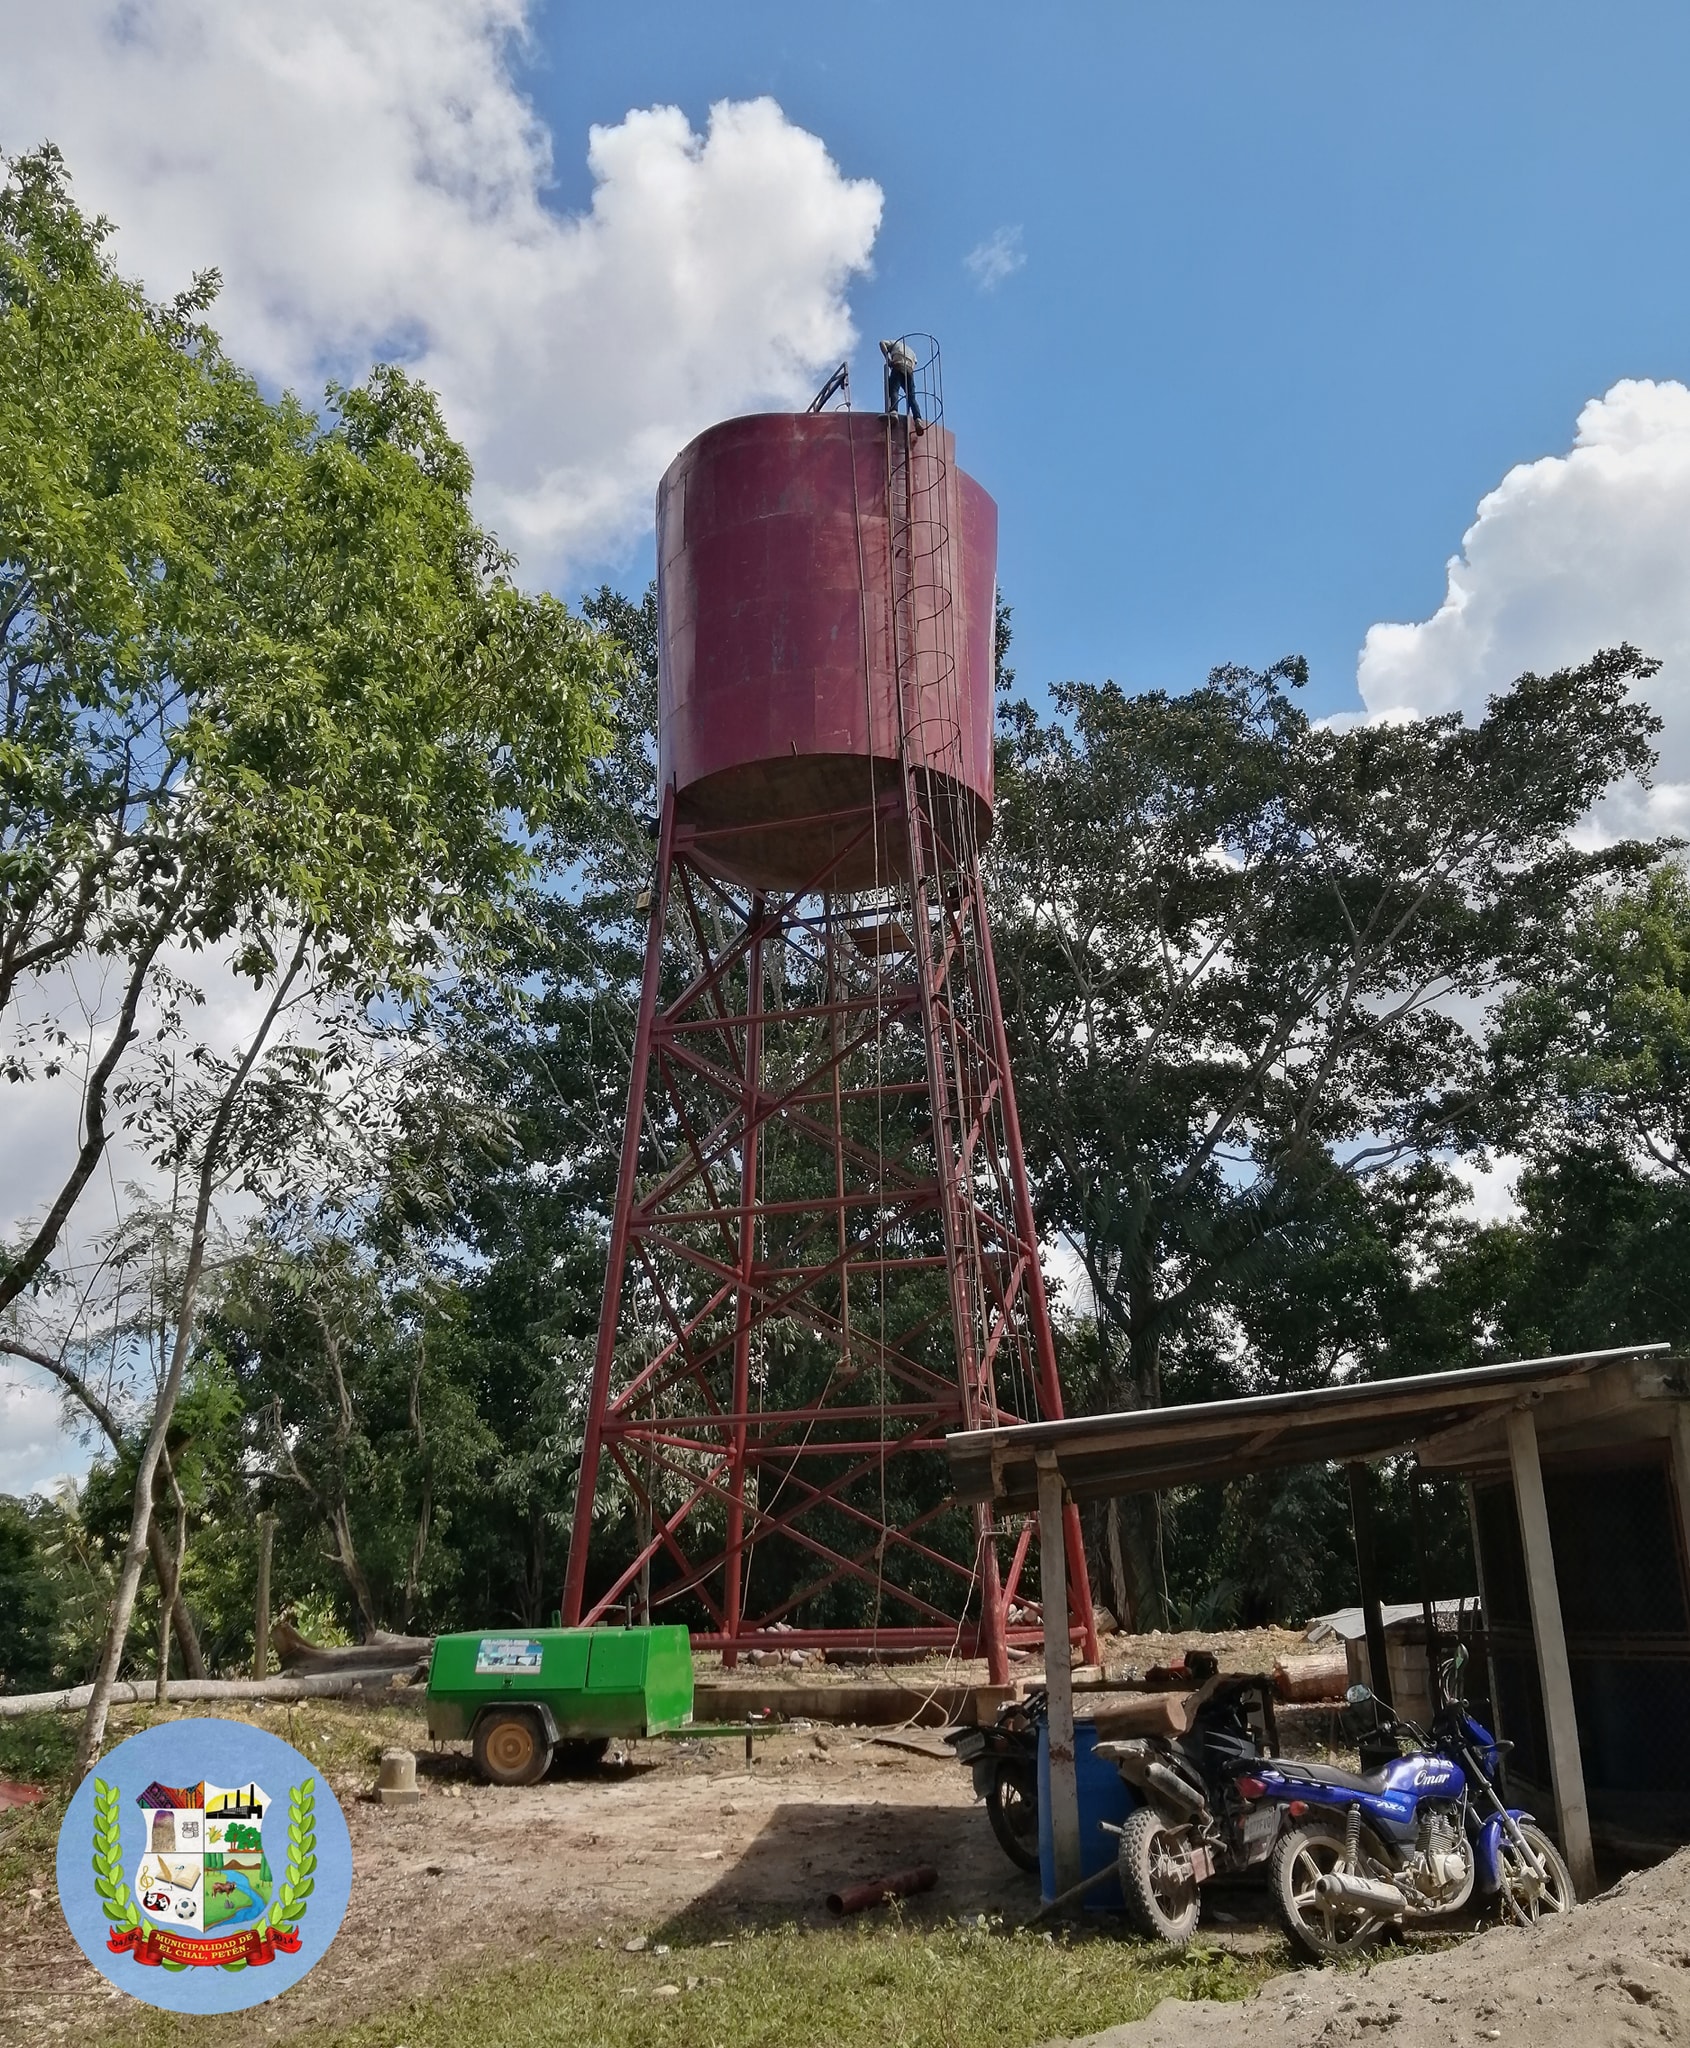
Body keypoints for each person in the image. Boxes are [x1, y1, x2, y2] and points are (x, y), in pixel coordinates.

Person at [880, 337, 923, 431]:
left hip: (898, 365)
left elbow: (882, 343)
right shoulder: (912, 351)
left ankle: (894, 412)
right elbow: (915, 363)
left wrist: (888, 359)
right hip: (910, 371)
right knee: (911, 397)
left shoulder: (894, 343)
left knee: (893, 389)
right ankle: (918, 419)